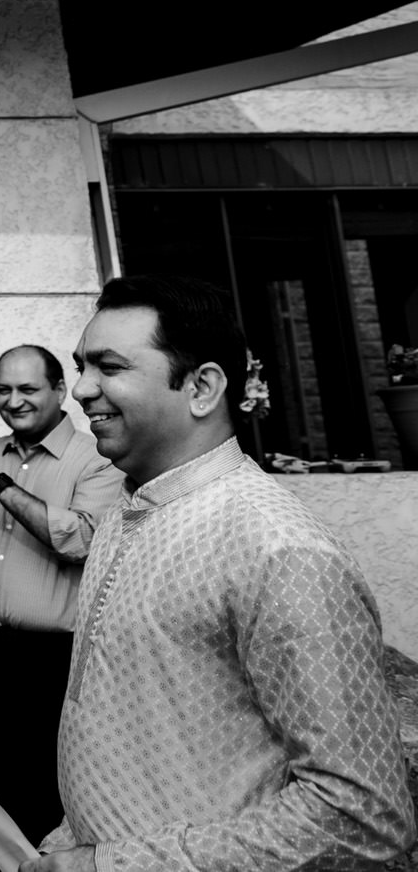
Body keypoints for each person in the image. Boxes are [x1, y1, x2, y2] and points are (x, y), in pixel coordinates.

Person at [22, 276, 417, 872]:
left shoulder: (279, 550)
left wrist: (112, 865)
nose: (80, 390)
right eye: (81, 366)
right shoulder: (125, 514)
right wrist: (75, 840)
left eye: (109, 367)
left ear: (203, 387)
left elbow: (360, 816)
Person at [0, 344, 123, 845]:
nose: (13, 401)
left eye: (28, 389)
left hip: (51, 660)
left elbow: (80, 540)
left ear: (60, 391)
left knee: (48, 794)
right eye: (3, 389)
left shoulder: (96, 457)